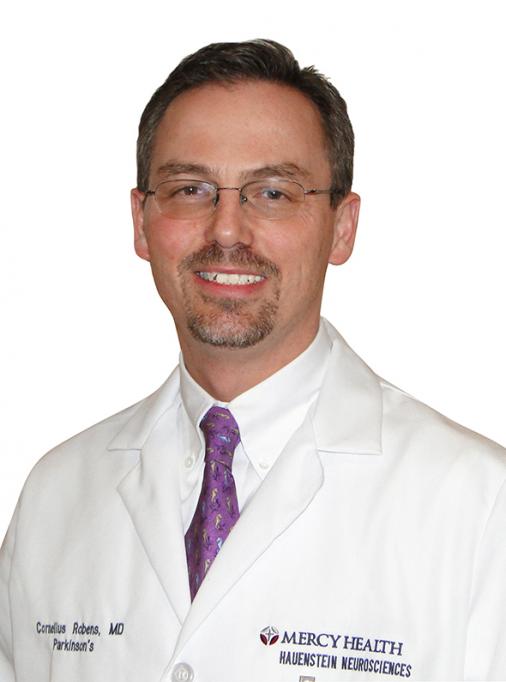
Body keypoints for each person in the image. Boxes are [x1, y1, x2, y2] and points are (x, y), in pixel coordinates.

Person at [0, 39, 504, 682]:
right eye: (190, 188)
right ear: (141, 221)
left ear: (342, 227)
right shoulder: (55, 497)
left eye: (272, 192)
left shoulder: (479, 507)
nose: (227, 230)